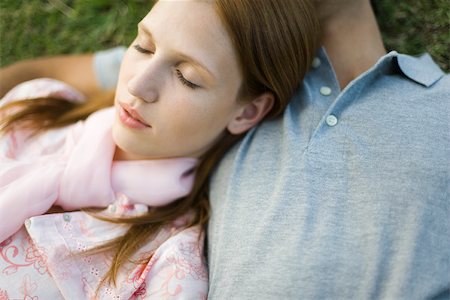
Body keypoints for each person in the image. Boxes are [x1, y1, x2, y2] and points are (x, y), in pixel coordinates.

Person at [1, 1, 449, 299]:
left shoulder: (438, 106)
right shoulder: (210, 30)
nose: (138, 84)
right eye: (143, 46)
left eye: (189, 78)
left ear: (251, 111)